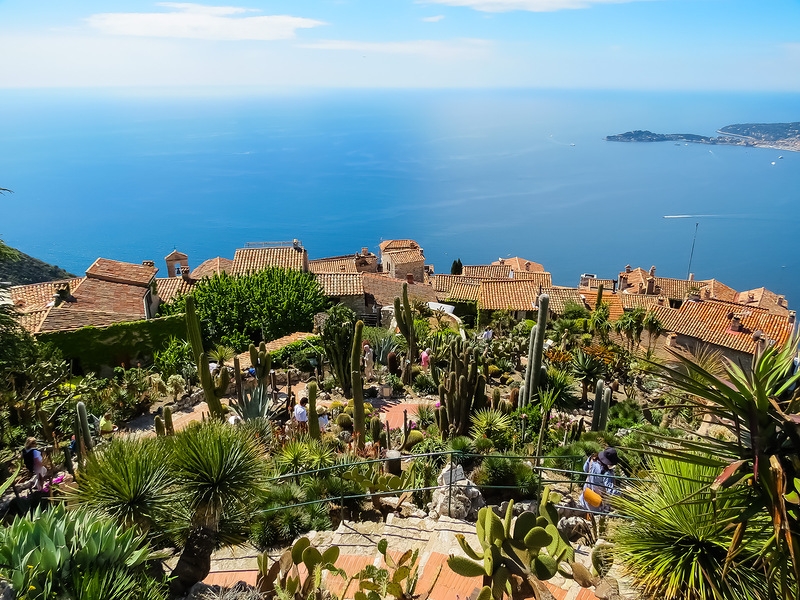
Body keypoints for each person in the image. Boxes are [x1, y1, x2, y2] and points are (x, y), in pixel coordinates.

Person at [578, 447, 619, 513]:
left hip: (585, 498)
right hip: (597, 506)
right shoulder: (606, 473)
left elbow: (585, 469)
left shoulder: (591, 459)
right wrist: (624, 492)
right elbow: (611, 491)